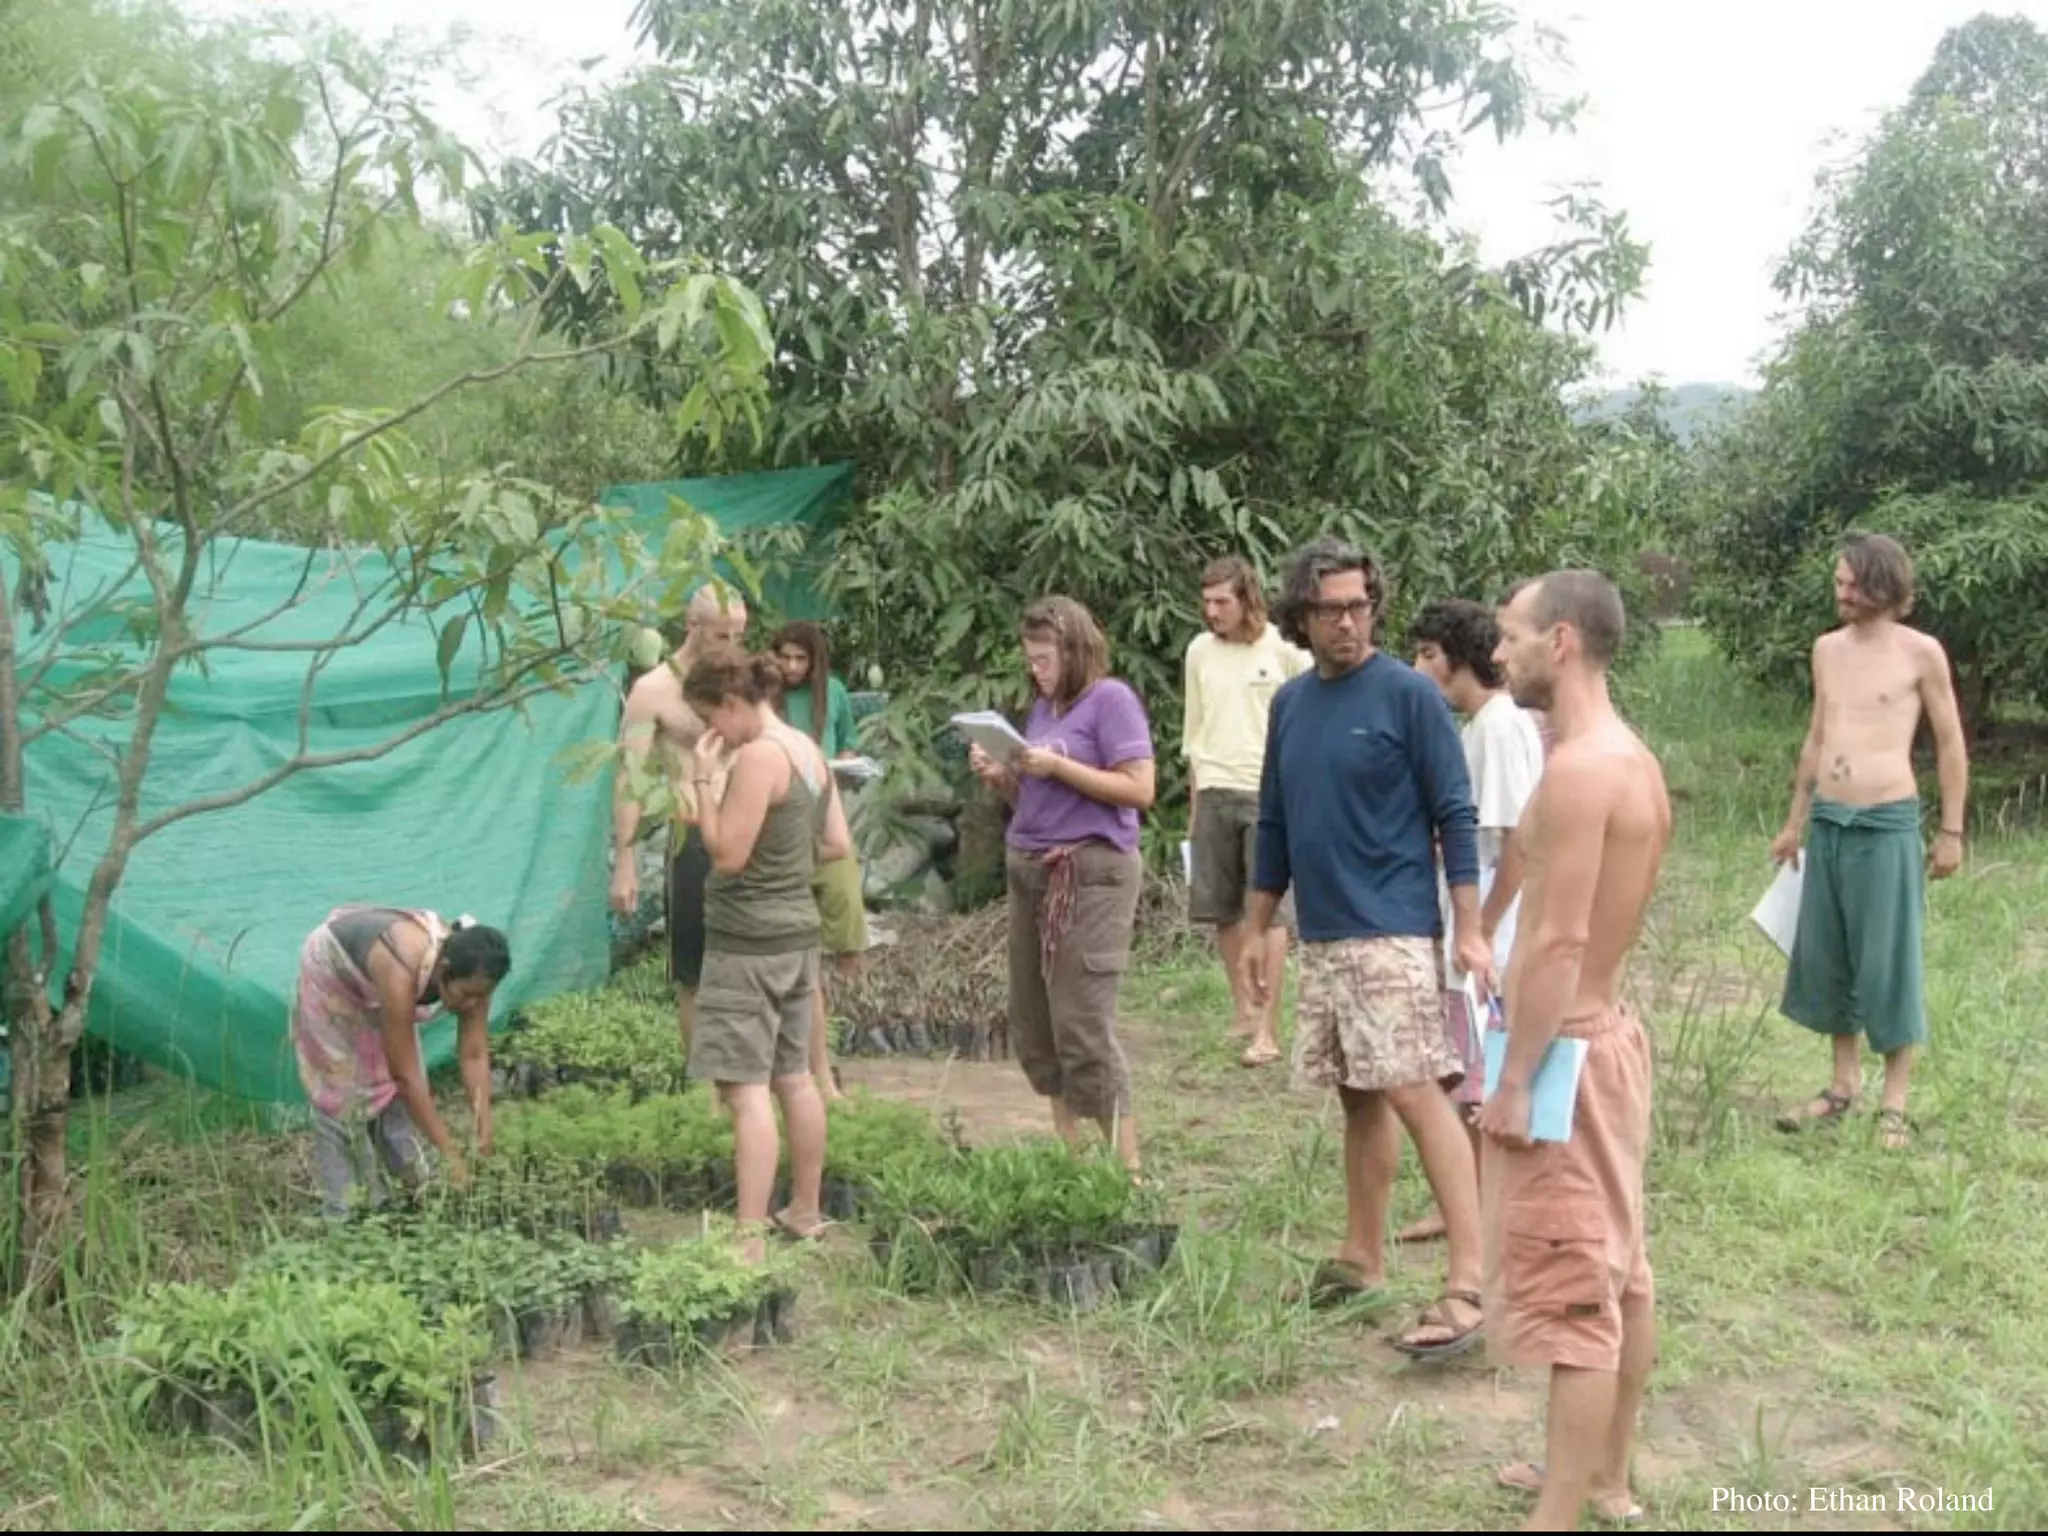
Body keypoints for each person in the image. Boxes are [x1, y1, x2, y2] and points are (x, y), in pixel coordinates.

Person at [1242, 537, 1489, 1359]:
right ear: (1301, 617)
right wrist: (1258, 922)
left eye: (1359, 605)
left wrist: (1471, 926)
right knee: (1358, 1093)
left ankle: (1469, 1280)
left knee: (1417, 1089)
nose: (1348, 622)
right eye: (1330, 609)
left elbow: (1455, 814)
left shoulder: (1408, 698)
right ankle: (1362, 1257)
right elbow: (1274, 819)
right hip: (1325, 930)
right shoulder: (1292, 705)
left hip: (1393, 930)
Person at [1479, 570, 1671, 1531]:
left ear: (1561, 641)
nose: (1497, 652)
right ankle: (1603, 1476)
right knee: (1619, 1272)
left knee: (1574, 1293)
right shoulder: (1625, 757)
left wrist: (1516, 1081)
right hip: (1608, 1041)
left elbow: (1556, 944)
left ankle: (1559, 1515)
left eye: (1510, 635)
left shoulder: (1582, 770)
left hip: (1571, 1055)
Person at [1768, 533, 1968, 1150]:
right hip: (1829, 819)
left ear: (1883, 585)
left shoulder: (1920, 652)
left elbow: (1951, 742)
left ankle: (1895, 1104)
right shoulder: (1826, 649)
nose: (1842, 593)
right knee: (1830, 954)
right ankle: (1841, 1085)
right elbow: (1816, 735)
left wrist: (1951, 831)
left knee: (1887, 960)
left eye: (1851, 583)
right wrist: (1795, 818)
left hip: (1886, 823)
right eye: (1839, 582)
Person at [968, 596, 1154, 1178]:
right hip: (1031, 869)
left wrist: (1059, 766)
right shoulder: (1045, 709)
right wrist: (1006, 777)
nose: (1035, 670)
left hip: (1091, 875)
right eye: (1030, 659)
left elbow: (1138, 789)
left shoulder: (1112, 701)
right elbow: (1040, 802)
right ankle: (1073, 1161)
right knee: (1037, 1020)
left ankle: (1128, 1172)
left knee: (1082, 1021)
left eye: (1043, 658)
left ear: (1074, 651)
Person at [681, 648, 853, 1261]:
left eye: (712, 720)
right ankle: (804, 1209)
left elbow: (726, 855)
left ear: (730, 702)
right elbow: (835, 843)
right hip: (796, 938)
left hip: (746, 943)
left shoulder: (757, 757)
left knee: (747, 1091)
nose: (714, 736)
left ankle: (748, 1238)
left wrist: (703, 781)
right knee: (796, 1077)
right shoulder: (807, 750)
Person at [1397, 597, 1546, 1245]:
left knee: (1472, 1076)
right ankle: (1464, 1202)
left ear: (1461, 659)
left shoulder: (1501, 726)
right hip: (1470, 931)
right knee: (1456, 1070)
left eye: (1428, 654)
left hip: (1490, 939)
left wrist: (1478, 927)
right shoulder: (1476, 727)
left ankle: (1483, 1208)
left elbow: (1516, 840)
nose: (1418, 667)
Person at [291, 908, 511, 1218]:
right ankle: (346, 1211)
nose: (472, 1004)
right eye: (467, 995)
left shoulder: (478, 976)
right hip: (334, 973)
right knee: (341, 1098)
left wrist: (483, 1131)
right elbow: (407, 1079)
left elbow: (473, 1055)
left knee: (391, 1085)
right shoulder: (401, 968)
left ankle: (414, 1188)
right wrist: (451, 1155)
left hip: (379, 975)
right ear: (443, 969)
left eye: (482, 997)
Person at [1182, 555, 1313, 1068]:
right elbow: (1194, 731)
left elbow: (1312, 712)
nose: (1212, 610)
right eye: (1207, 600)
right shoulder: (1198, 651)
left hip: (1268, 792)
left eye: (1222, 601)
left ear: (1246, 599)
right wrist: (1195, 804)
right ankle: (1242, 1012)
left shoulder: (1282, 650)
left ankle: (1267, 1026)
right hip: (1213, 786)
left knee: (1270, 912)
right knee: (1221, 910)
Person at [610, 582, 750, 1051]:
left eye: (739, 636)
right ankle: (704, 1090)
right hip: (690, 832)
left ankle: (758, 1074)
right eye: (722, 636)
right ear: (693, 628)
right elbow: (631, 776)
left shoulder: (741, 679)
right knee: (696, 973)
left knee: (757, 961)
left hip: (747, 827)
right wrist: (625, 862)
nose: (732, 647)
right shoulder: (653, 691)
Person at [771, 621, 869, 1104]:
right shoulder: (764, 696)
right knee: (798, 960)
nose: (792, 667)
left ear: (815, 663)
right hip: (781, 829)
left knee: (846, 907)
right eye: (784, 657)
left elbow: (847, 742)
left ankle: (843, 1003)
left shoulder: (832, 693)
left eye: (800, 659)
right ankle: (813, 1067)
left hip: (826, 819)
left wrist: (844, 765)